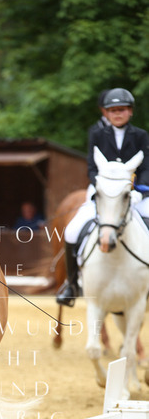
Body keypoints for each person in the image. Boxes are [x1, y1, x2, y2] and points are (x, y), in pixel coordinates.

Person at [56, 87, 149, 306]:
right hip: (103, 192)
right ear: (106, 113)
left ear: (130, 111)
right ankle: (72, 284)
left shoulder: (141, 135)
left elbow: (146, 167)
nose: (118, 114)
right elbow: (91, 166)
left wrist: (139, 190)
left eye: (122, 110)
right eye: (113, 110)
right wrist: (100, 186)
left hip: (134, 193)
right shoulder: (97, 134)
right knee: (72, 230)